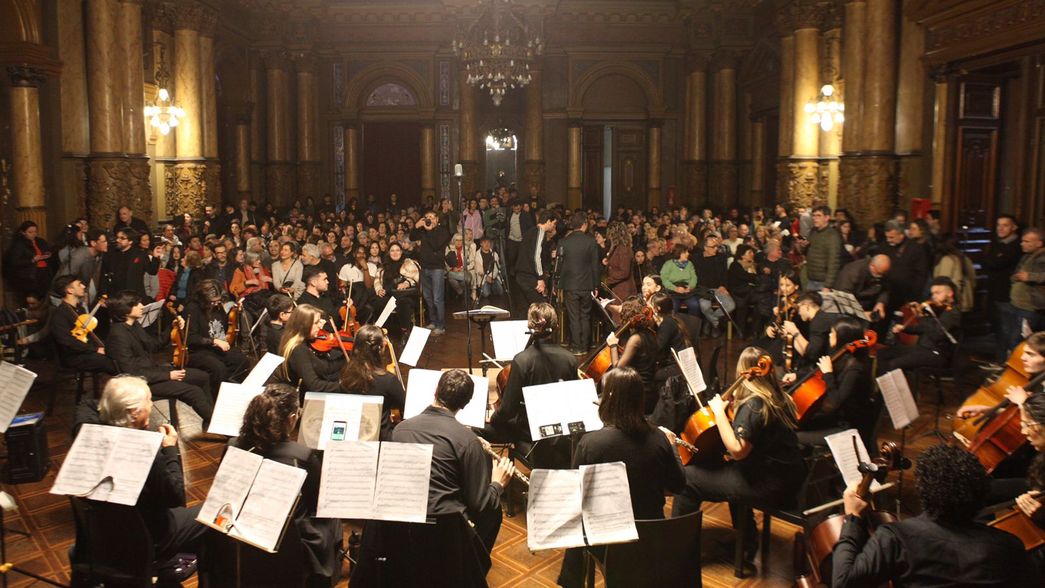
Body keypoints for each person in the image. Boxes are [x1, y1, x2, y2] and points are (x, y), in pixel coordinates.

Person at [670, 346, 805, 571]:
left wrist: (720, 413)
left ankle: (680, 552)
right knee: (725, 466)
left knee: (688, 479)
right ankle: (747, 542)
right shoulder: (779, 395)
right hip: (787, 477)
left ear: (745, 371)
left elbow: (737, 450)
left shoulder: (754, 404)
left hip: (768, 484)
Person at [832, 444, 1034, 587]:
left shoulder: (896, 539)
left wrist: (853, 518)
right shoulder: (1010, 547)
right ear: (982, 493)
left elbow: (843, 582)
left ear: (924, 492)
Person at [557, 367, 686, 588]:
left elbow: (576, 495)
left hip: (609, 539)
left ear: (608, 400)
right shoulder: (659, 439)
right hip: (651, 534)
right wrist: (672, 447)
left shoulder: (591, 443)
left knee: (578, 524)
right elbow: (678, 485)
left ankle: (571, 583)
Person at [392, 369, 514, 560]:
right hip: (445, 531)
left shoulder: (400, 430)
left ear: (435, 391)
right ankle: (473, 569)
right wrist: (498, 484)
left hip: (403, 522)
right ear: (465, 404)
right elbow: (481, 504)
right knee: (493, 511)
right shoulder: (467, 440)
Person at [229, 384, 340, 586]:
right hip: (288, 540)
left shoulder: (232, 446)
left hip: (239, 533)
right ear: (291, 419)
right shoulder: (301, 456)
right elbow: (317, 504)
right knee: (332, 521)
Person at [95, 375, 207, 570]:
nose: (151, 404)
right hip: (150, 536)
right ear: (133, 412)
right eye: (148, 400)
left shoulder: (96, 438)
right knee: (210, 516)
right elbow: (176, 497)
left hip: (107, 534)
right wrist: (170, 449)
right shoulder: (144, 450)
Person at [486, 303, 578, 468]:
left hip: (530, 432)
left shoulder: (522, 360)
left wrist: (493, 418)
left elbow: (508, 411)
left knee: (477, 428)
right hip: (560, 432)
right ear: (556, 326)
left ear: (530, 326)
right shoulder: (570, 359)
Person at [105, 290, 214, 428]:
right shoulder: (118, 335)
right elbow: (130, 372)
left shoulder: (133, 325)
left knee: (202, 376)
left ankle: (209, 419)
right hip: (142, 382)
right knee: (194, 392)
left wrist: (172, 327)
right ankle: (217, 425)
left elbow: (154, 345)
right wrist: (168, 375)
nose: (141, 306)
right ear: (125, 310)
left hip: (152, 371)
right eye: (137, 304)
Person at [796, 316, 877, 449]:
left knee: (795, 436)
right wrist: (796, 376)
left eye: (833, 333)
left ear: (842, 337)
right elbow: (817, 373)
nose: (830, 335)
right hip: (834, 417)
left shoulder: (855, 368)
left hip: (846, 426)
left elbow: (835, 402)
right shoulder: (843, 355)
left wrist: (828, 373)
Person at [878, 277, 962, 374]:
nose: (934, 296)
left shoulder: (953, 313)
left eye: (938, 293)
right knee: (883, 353)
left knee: (895, 364)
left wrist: (921, 316)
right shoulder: (939, 309)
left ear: (950, 293)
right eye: (933, 293)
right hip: (923, 349)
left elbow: (937, 335)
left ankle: (898, 389)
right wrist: (905, 328)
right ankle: (883, 387)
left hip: (937, 353)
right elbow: (924, 328)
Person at [339, 325, 406, 440]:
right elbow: (404, 407)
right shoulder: (388, 380)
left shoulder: (345, 374)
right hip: (381, 438)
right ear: (379, 349)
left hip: (354, 435)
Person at [184, 279, 250, 393]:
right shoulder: (192, 309)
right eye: (212, 301)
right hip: (198, 351)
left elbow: (223, 324)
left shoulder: (217, 306)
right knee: (218, 368)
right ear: (203, 299)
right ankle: (215, 396)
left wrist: (235, 312)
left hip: (215, 348)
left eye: (218, 301)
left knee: (242, 361)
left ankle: (230, 390)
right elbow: (191, 338)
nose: (215, 303)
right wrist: (214, 341)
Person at [49, 275, 118, 375]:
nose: (83, 286)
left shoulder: (79, 309)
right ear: (70, 290)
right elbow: (67, 341)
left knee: (118, 349)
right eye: (79, 284)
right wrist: (95, 349)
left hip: (85, 349)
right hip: (74, 356)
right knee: (108, 361)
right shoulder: (59, 314)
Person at [605, 297, 660, 414]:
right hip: (650, 389)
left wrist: (613, 345)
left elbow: (617, 368)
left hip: (638, 393)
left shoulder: (635, 339)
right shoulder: (651, 333)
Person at [557, 214, 601, 354]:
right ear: (584, 225)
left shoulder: (563, 242)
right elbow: (595, 266)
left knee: (574, 317)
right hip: (587, 285)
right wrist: (595, 285)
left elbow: (559, 266)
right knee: (585, 316)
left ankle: (576, 347)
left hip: (570, 285)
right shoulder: (591, 242)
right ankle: (585, 346)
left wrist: (558, 286)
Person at [278, 304, 344, 393]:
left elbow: (324, 367)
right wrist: (345, 388)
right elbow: (314, 385)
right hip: (305, 398)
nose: (320, 326)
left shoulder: (307, 341)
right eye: (316, 323)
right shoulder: (298, 349)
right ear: (305, 325)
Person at [984, 215, 1023, 360]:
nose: (1000, 228)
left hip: (1008, 295)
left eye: (1005, 225)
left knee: (1008, 332)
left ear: (1014, 227)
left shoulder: (1016, 246)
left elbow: (996, 263)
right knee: (999, 330)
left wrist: (993, 261)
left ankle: (1005, 363)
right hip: (995, 292)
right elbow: (987, 261)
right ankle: (999, 361)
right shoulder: (997, 244)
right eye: (998, 225)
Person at [781, 291, 837, 376]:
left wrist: (796, 332)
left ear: (806, 306)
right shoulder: (817, 319)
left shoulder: (819, 322)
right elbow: (805, 352)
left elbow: (812, 354)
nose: (799, 313)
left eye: (799, 308)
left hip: (818, 370)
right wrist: (792, 335)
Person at [1007, 227, 1045, 353]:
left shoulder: (1042, 257)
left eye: (1027, 241)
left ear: (1039, 243)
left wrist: (1031, 277)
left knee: (1020, 342)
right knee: (1015, 340)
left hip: (1030, 308)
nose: (1022, 243)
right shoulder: (1027, 256)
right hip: (1018, 306)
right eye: (1022, 241)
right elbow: (1018, 273)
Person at [413, 210, 451, 336]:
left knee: (437, 298)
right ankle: (433, 322)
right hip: (424, 268)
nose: (429, 219)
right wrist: (416, 226)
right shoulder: (424, 230)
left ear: (437, 220)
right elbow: (412, 237)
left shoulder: (443, 231)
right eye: (427, 217)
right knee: (428, 298)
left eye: (432, 217)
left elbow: (435, 245)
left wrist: (428, 230)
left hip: (437, 269)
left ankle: (441, 325)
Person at [373, 242, 420, 341]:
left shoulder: (408, 263)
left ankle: (405, 331)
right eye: (392, 250)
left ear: (401, 252)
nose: (395, 253)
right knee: (378, 301)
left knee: (403, 303)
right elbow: (377, 280)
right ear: (389, 253)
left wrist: (407, 283)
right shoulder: (383, 266)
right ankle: (382, 332)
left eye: (397, 250)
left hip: (405, 294)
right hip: (389, 293)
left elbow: (416, 278)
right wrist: (379, 289)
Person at [514, 210, 559, 308]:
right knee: (541, 307)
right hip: (529, 276)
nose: (554, 226)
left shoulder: (530, 231)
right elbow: (536, 256)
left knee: (527, 309)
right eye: (553, 223)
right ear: (548, 221)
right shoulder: (540, 232)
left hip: (521, 274)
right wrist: (540, 278)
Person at [692, 233, 736, 332]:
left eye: (717, 246)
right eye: (713, 247)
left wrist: (723, 286)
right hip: (703, 289)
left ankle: (710, 320)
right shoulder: (696, 258)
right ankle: (715, 324)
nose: (716, 249)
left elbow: (724, 274)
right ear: (705, 247)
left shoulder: (721, 257)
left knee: (730, 306)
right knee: (704, 306)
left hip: (718, 288)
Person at [883, 220, 930, 311]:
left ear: (901, 235)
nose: (888, 240)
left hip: (907, 296)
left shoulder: (916, 249)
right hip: (887, 294)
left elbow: (921, 275)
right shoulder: (884, 246)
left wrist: (913, 297)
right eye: (887, 237)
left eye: (892, 237)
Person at [102, 227, 162, 299]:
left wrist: (155, 257)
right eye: (117, 237)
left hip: (134, 297)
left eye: (122, 238)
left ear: (130, 241)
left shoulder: (140, 254)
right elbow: (105, 274)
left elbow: (152, 271)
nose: (118, 240)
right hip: (117, 297)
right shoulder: (112, 254)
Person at [3, 220, 54, 300]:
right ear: (23, 233)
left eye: (35, 231)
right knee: (32, 298)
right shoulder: (19, 244)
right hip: (31, 276)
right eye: (30, 232)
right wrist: (32, 260)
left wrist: (47, 254)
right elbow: (14, 262)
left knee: (44, 298)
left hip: (45, 273)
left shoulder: (41, 241)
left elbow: (48, 250)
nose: (34, 234)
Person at [833, 254, 891, 321]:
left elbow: (885, 288)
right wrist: (860, 313)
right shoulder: (853, 271)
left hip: (865, 307)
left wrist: (881, 303)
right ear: (872, 266)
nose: (881, 276)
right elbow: (843, 296)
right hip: (846, 307)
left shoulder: (882, 270)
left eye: (883, 274)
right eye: (879, 273)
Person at [803, 205, 842, 291]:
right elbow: (807, 253)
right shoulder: (813, 231)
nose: (815, 218)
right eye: (813, 215)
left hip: (823, 282)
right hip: (811, 279)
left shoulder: (832, 236)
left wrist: (827, 285)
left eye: (818, 216)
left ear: (826, 217)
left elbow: (834, 262)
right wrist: (803, 246)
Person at [660, 244, 701, 316]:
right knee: (673, 307)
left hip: (687, 291)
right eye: (685, 252)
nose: (688, 254)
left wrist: (690, 287)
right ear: (679, 253)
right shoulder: (668, 264)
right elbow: (664, 279)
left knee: (695, 305)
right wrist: (675, 288)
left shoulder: (689, 264)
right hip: (672, 291)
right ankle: (675, 325)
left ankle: (691, 326)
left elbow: (694, 278)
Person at [296, 265, 337, 331]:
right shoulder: (303, 303)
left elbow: (335, 320)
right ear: (313, 283)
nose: (327, 282)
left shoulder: (325, 297)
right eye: (324, 279)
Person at [605, 221, 637, 302]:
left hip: (624, 290)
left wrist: (607, 281)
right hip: (618, 288)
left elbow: (624, 272)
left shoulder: (624, 249)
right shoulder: (618, 248)